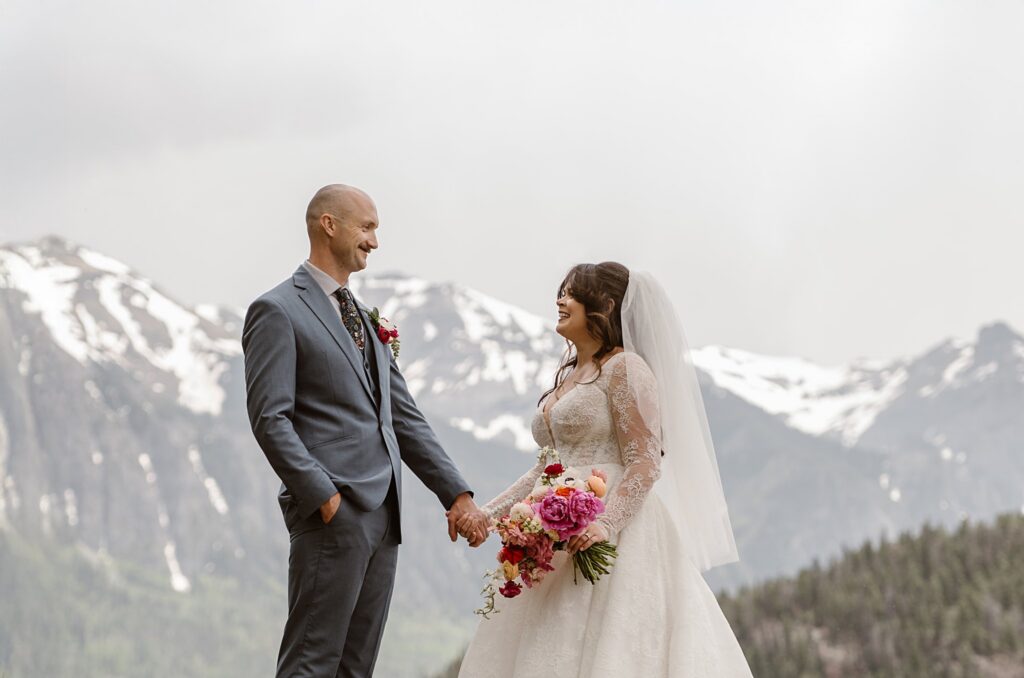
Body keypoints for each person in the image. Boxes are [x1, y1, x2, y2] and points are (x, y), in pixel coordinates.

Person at [456, 262, 753, 677]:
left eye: (572, 293)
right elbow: (545, 468)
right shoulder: (574, 375)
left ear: (606, 305)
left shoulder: (626, 369)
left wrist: (606, 524)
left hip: (613, 534)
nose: (560, 300)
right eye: (562, 292)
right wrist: (488, 516)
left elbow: (645, 461)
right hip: (557, 534)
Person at [242, 184, 488, 678]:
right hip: (332, 514)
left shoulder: (362, 317)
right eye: (367, 227)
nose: (374, 242)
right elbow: (270, 418)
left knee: (356, 668)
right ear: (327, 225)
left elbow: (401, 414)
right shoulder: (277, 310)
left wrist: (456, 495)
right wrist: (324, 497)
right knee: (312, 663)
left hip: (384, 519)